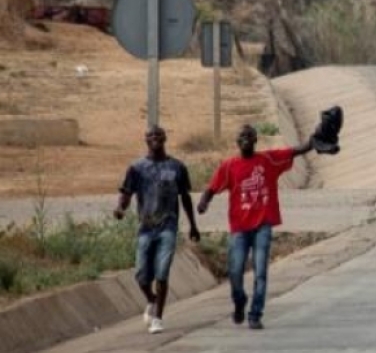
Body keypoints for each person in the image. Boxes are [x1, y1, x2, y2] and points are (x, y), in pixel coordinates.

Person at [196, 124, 315, 330]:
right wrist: (204, 202)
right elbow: (212, 187)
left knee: (261, 272)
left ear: (255, 140)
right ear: (237, 141)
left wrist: (316, 138)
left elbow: (297, 150)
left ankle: (255, 314)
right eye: (242, 136)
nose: (246, 139)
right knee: (235, 272)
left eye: (249, 136)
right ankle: (240, 302)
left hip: (263, 226)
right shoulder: (229, 166)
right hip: (240, 229)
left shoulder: (268, 160)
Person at [114, 124, 201, 335]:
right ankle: (151, 299)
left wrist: (193, 225)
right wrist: (120, 208)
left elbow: (185, 197)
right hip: (145, 228)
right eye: (150, 135)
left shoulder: (177, 167)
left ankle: (158, 318)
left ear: (165, 138)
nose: (155, 138)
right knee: (141, 276)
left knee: (162, 273)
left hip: (168, 227)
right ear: (145, 139)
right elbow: (126, 193)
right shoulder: (136, 168)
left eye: (159, 135)